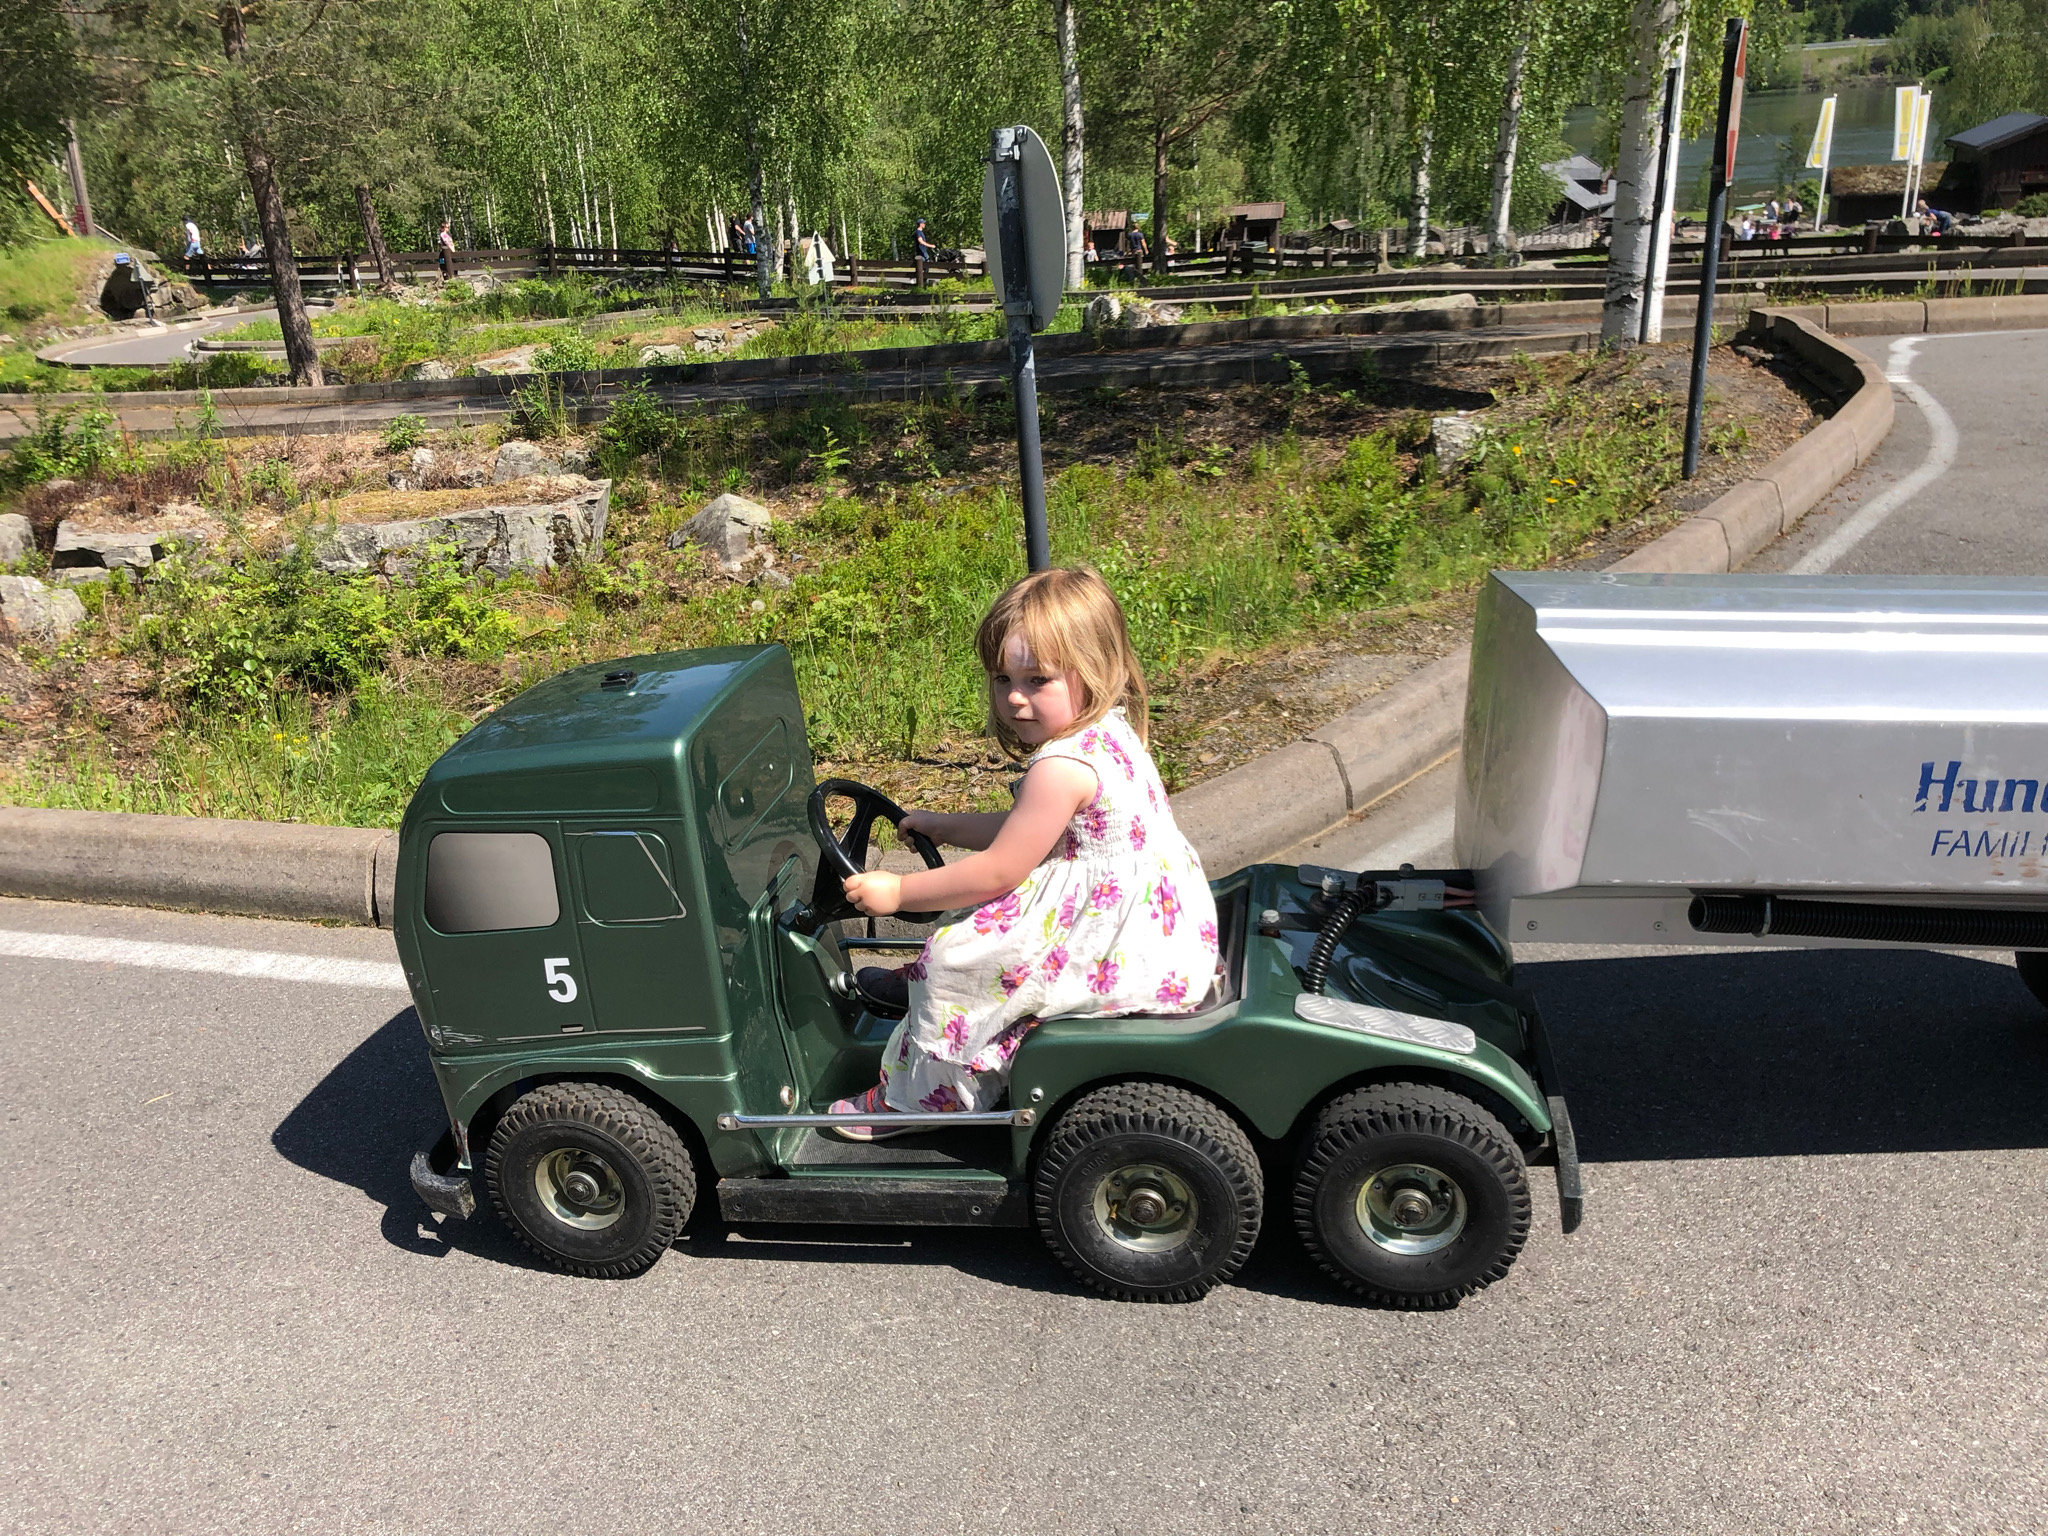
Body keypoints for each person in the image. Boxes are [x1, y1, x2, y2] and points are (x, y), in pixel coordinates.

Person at [830, 568, 1222, 1138]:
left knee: (951, 959)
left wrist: (898, 891)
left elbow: (1001, 869)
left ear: (1094, 669)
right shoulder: (1107, 732)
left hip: (1109, 939)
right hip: (1150, 926)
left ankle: (922, 1100)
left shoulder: (1060, 767)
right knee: (967, 946)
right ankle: (927, 1003)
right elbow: (1038, 830)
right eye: (1003, 677)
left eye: (1037, 679)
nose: (1015, 697)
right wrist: (946, 826)